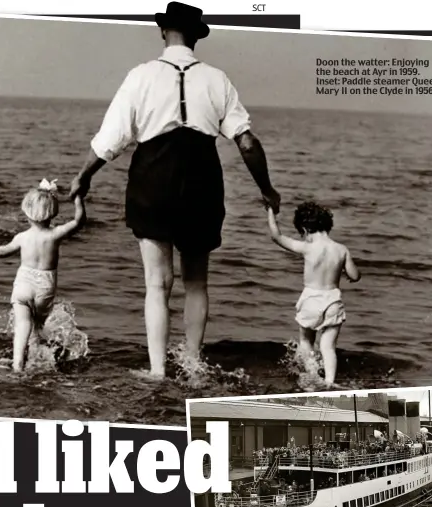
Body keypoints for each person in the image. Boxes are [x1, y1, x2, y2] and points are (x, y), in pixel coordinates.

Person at [68, 2, 281, 378]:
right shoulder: (217, 78)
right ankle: (195, 366)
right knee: (196, 282)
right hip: (202, 178)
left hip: (154, 176)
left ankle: (157, 371)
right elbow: (246, 142)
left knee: (157, 282)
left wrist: (84, 176)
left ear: (163, 32)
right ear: (197, 37)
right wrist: (267, 189)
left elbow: (111, 140)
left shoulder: (141, 75)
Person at [0, 180, 86, 372]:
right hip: (45, 286)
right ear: (52, 212)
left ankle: (18, 362)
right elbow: (79, 222)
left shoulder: (22, 237)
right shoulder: (55, 234)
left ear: (27, 213)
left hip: (23, 283)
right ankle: (39, 358)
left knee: (22, 323)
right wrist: (78, 199)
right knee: (36, 325)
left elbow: (6, 249)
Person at [267, 202, 360, 387]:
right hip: (332, 300)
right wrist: (346, 273)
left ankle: (312, 375)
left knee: (306, 340)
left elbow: (276, 237)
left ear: (304, 229)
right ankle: (330, 382)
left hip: (311, 300)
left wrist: (270, 211)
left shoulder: (307, 248)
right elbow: (355, 275)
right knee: (328, 346)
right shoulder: (341, 249)